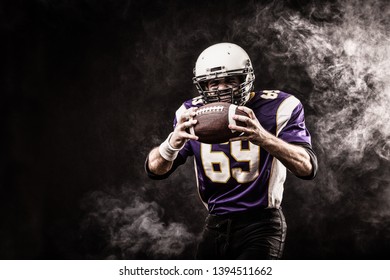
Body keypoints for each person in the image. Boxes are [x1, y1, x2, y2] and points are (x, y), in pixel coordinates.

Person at [145, 42, 318, 259]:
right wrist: (172, 143)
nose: (221, 89)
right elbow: (155, 169)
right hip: (215, 222)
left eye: (230, 80)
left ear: (246, 79)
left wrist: (263, 137)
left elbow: (307, 167)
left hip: (262, 223)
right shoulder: (191, 112)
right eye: (213, 82)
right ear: (203, 86)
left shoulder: (279, 107)